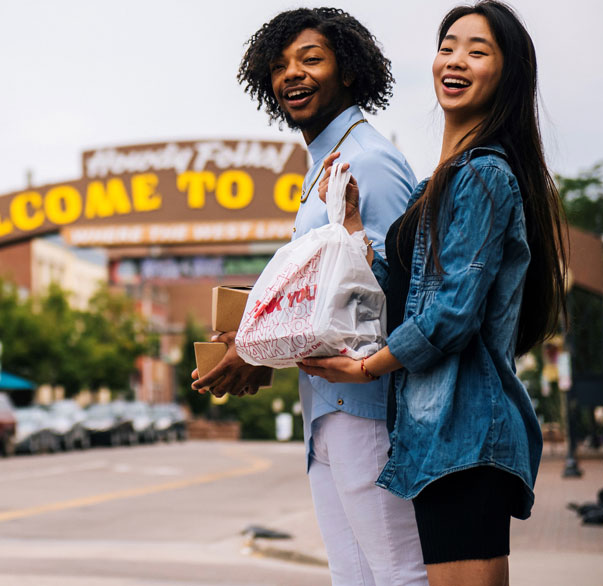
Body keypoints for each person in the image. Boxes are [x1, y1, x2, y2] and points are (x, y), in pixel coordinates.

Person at [301, 2, 565, 585]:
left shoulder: (484, 174)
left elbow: (450, 316)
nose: (456, 60)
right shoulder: (433, 185)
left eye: (478, 50)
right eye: (448, 46)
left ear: (508, 74)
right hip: (434, 437)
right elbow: (406, 296)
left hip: (467, 434)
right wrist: (350, 234)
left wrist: (367, 367)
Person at [194, 8, 426, 586]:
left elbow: (383, 292)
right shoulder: (325, 160)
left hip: (367, 405)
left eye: (311, 59)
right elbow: (325, 287)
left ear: (347, 70)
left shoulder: (365, 160)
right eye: (279, 65)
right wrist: (253, 336)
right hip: (329, 406)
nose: (292, 74)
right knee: (355, 578)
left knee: (399, 575)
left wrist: (255, 349)